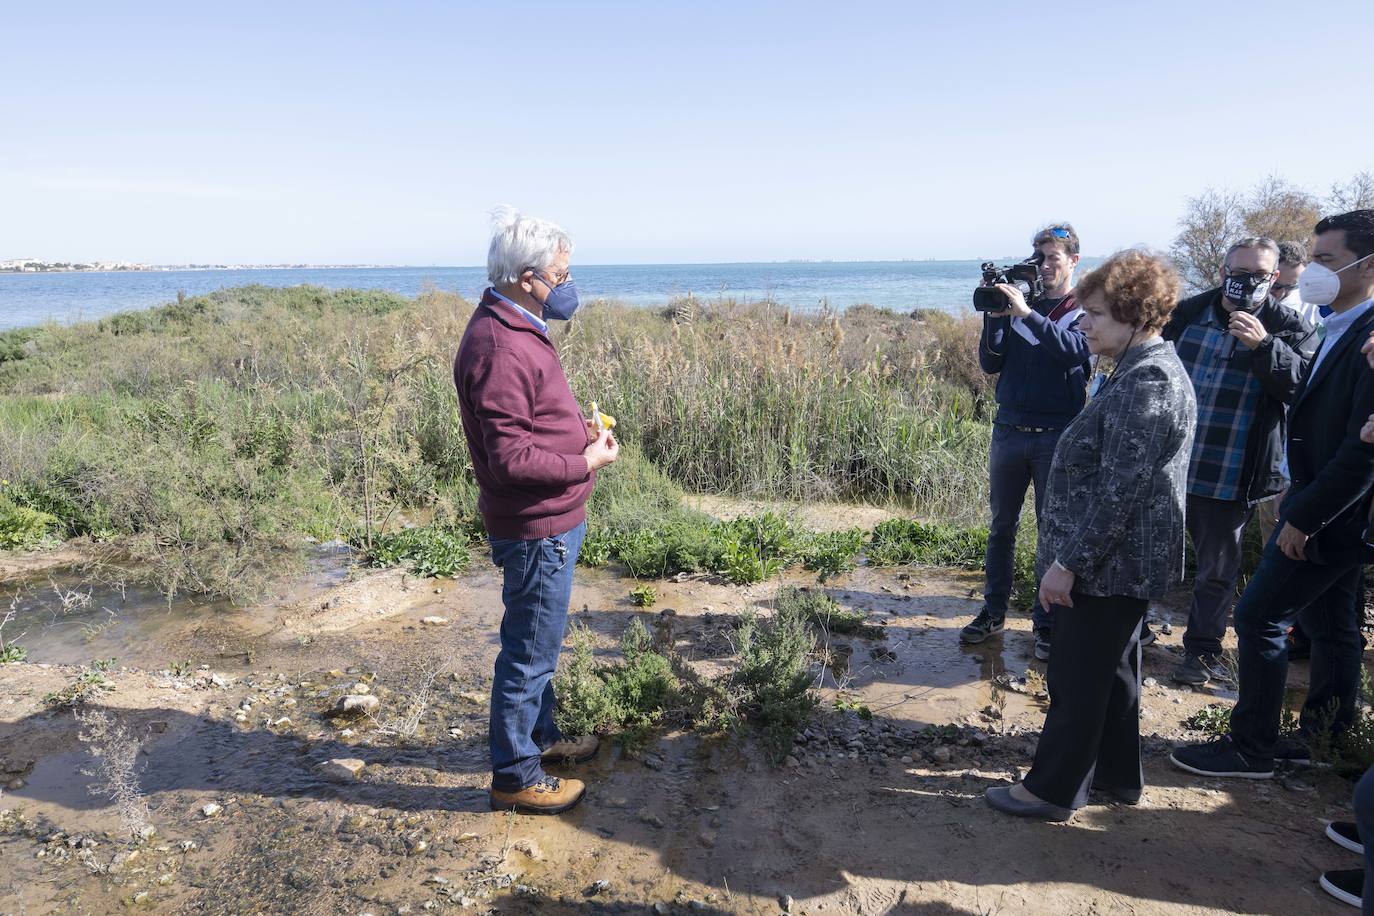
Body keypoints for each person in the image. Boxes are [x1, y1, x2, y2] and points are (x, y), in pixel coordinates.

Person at [984, 249, 1196, 821]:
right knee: (1114, 671)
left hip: (1107, 565)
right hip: (1114, 561)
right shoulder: (1133, 370)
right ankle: (1116, 776)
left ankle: (1052, 790)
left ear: (1137, 317)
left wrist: (1066, 564)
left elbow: (1119, 491)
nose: (1083, 323)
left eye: (1097, 314)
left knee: (1077, 676)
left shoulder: (1147, 381)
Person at [1171, 209, 1374, 780]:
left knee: (1259, 614)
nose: (1312, 273)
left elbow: (1360, 449)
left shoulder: (1359, 337)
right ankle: (1325, 734)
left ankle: (1251, 747)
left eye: (1328, 261)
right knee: (1334, 621)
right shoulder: (1345, 326)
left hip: (1332, 511)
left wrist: (1302, 512)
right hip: (1325, 506)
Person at [454, 207, 620, 815]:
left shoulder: (516, 325)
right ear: (528, 277)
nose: (569, 283)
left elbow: (528, 426)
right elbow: (510, 460)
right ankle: (516, 775)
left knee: (540, 643)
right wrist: (585, 463)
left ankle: (542, 741)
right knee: (528, 653)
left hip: (549, 520)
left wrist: (577, 429)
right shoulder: (499, 344)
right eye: (561, 273)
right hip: (536, 527)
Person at [1162, 237, 1316, 686]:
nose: (1246, 282)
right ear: (1223, 269)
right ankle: (1133, 634)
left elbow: (1300, 390)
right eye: (1239, 271)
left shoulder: (1288, 327)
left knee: (1216, 570)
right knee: (1148, 556)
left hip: (1230, 471)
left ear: (1274, 279)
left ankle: (1202, 652)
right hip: (1168, 464)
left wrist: (1264, 345)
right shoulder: (1187, 314)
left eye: (1259, 275)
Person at [961, 223, 1091, 662]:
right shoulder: (1020, 305)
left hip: (1058, 435)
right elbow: (990, 362)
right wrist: (995, 315)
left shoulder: (1081, 307)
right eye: (1039, 258)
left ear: (1074, 260)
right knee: (1001, 527)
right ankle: (992, 612)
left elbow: (1074, 351)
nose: (1045, 266)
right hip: (1010, 430)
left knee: (1051, 531)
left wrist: (1027, 315)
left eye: (1053, 258)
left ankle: (1047, 622)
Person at [1258, 240, 1321, 658]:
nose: (1283, 293)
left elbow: (1301, 383)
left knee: (1299, 547)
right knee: (1271, 539)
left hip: (1299, 452)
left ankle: (1298, 629)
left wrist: (1267, 345)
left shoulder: (1307, 317)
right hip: (1273, 449)